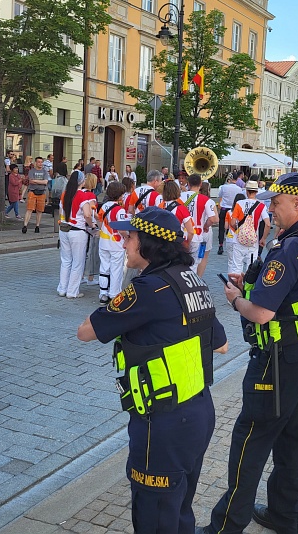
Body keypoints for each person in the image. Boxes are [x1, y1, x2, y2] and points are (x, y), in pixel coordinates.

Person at [199, 172, 298, 534]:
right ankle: (283, 514)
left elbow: (261, 312)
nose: (270, 209)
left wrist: (235, 299)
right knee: (292, 432)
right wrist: (250, 284)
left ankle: (225, 527)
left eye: (275, 203)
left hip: (277, 358)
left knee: (251, 436)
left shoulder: (290, 247)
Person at [77, 206, 228, 533]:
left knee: (155, 518)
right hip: (198, 411)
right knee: (179, 512)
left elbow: (86, 331)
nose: (123, 242)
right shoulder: (193, 281)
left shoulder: (148, 289)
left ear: (149, 243)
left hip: (162, 423)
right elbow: (221, 344)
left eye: (129, 237)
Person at [57, 171, 97, 299]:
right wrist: (92, 226)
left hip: (63, 229)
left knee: (66, 260)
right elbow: (87, 214)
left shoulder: (64, 194)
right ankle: (72, 291)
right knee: (77, 262)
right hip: (77, 231)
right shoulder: (82, 196)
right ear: (81, 182)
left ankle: (62, 288)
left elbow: (60, 211)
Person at [228, 181, 270, 275]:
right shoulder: (261, 206)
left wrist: (237, 230)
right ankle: (247, 288)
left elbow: (233, 222)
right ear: (256, 192)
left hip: (238, 240)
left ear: (247, 191)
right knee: (251, 268)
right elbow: (268, 224)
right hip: (253, 241)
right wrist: (263, 238)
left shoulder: (239, 203)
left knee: (236, 267)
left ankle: (235, 287)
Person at [97, 181, 127, 304]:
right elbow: (121, 228)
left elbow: (99, 221)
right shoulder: (119, 210)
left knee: (104, 267)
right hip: (116, 243)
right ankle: (114, 294)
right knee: (116, 268)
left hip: (103, 241)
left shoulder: (103, 206)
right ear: (119, 194)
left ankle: (103, 293)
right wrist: (128, 237)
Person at [182, 173, 218, 272]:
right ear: (200, 184)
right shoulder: (205, 199)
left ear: (188, 184)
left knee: (180, 262)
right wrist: (206, 226)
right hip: (196, 234)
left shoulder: (179, 197)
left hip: (181, 233)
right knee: (194, 264)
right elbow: (213, 219)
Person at [217, 173, 243, 255]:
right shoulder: (239, 189)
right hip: (233, 209)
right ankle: (231, 243)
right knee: (231, 227)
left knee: (221, 228)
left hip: (224, 209)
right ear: (237, 179)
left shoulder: (224, 187)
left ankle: (220, 245)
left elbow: (220, 195)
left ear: (230, 178)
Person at [197, 181, 219, 278]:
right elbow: (215, 219)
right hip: (205, 231)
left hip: (194, 230)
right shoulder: (210, 201)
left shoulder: (194, 199)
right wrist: (206, 225)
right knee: (204, 256)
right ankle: (199, 277)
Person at [23, 156, 50, 234]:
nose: (40, 164)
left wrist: (36, 181)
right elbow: (31, 181)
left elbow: (45, 182)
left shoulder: (45, 171)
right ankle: (25, 225)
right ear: (35, 163)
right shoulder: (31, 171)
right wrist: (40, 181)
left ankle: (37, 226)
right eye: (39, 162)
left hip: (42, 192)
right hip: (32, 191)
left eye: (41, 162)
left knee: (39, 210)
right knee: (29, 209)